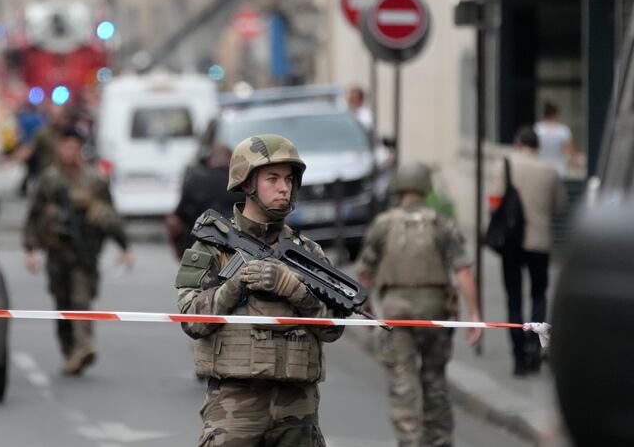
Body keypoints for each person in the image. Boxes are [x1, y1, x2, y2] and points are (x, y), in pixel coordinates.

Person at [175, 134, 344, 446]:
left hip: (298, 408)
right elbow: (189, 319)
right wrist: (234, 286)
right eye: (272, 178)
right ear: (246, 183)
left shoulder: (308, 253)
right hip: (235, 406)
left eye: (289, 179)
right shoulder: (213, 246)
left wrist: (297, 292)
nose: (284, 187)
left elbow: (333, 329)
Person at [355, 161, 482, 447]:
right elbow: (463, 271)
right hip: (434, 312)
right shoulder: (441, 224)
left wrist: (367, 310)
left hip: (396, 314)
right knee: (435, 380)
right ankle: (439, 440)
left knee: (402, 383)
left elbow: (364, 272)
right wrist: (474, 314)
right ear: (426, 187)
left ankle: (410, 441)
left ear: (399, 187)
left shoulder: (383, 224)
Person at [23, 126, 133, 375]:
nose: (70, 151)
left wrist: (123, 246)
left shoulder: (93, 179)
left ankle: (84, 346)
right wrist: (30, 250)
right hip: (56, 251)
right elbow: (34, 214)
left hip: (84, 251)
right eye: (66, 146)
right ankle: (70, 351)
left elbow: (110, 214)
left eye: (74, 146)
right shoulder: (50, 179)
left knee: (81, 301)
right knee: (62, 304)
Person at [489, 127, 566, 376]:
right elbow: (560, 205)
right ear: (538, 146)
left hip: (512, 241)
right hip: (540, 242)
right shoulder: (550, 170)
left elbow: (493, 201)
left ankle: (519, 356)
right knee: (538, 295)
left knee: (513, 298)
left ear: (518, 142)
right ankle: (535, 343)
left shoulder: (505, 165)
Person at [165, 145, 244, 258]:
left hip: (198, 250)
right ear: (232, 161)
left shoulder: (194, 180)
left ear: (209, 160)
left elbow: (174, 221)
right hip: (237, 250)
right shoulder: (242, 183)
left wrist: (180, 253)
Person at [534, 102, 576, 177]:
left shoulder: (537, 128)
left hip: (541, 168)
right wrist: (574, 162)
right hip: (559, 170)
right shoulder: (563, 130)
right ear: (555, 114)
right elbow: (570, 150)